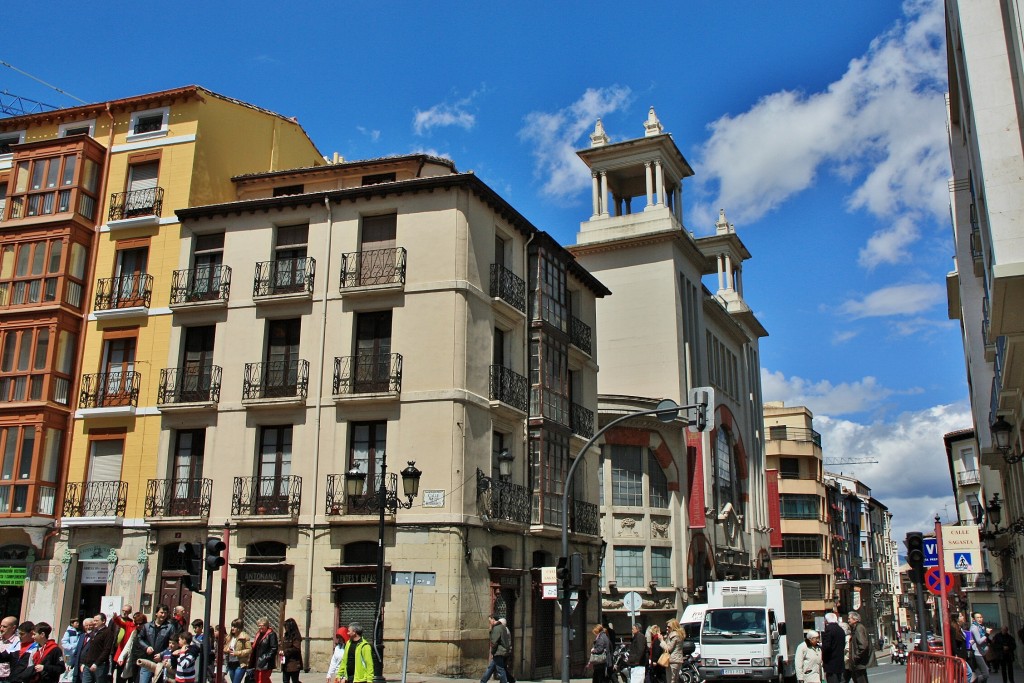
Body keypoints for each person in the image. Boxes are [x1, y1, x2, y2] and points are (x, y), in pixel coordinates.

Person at [138, 607, 175, 683]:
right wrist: (146, 647)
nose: (163, 615)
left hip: (161, 663)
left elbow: (173, 644)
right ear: (156, 613)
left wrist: (161, 655)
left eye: (165, 613)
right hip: (147, 660)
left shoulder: (170, 627)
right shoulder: (147, 626)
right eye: (161, 612)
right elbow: (139, 639)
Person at [81, 613, 114, 683]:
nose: (94, 622)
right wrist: (84, 663)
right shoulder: (94, 632)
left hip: (100, 665)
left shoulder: (108, 632)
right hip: (88, 664)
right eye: (94, 620)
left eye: (97, 621)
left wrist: (97, 663)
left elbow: (107, 650)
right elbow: (89, 648)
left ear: (103, 621)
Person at [478, 615, 509, 683]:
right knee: (491, 668)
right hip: (503, 651)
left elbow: (494, 642)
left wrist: (492, 652)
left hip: (498, 651)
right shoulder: (502, 627)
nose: (490, 623)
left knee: (500, 669)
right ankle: (483, 681)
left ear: (493, 619)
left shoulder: (497, 628)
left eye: (490, 621)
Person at [249, 618, 278, 683]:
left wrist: (265, 658)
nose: (260, 627)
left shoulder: (271, 634)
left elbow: (274, 648)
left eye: (262, 626)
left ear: (266, 625)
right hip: (257, 661)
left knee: (263, 680)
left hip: (265, 662)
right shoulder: (258, 634)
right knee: (258, 679)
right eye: (259, 626)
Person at [820, 613, 846, 683]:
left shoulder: (828, 630)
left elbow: (826, 646)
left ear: (826, 620)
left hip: (831, 663)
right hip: (840, 662)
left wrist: (822, 650)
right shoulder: (841, 630)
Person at [847, 612, 870, 683]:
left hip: (859, 663)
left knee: (861, 680)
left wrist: (855, 657)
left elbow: (863, 645)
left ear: (855, 619)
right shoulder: (856, 628)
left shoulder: (859, 628)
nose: (848, 620)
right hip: (858, 663)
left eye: (849, 619)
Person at [279, 618, 302, 683]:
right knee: (285, 680)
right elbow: (283, 645)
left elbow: (296, 648)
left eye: (287, 627)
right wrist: (281, 650)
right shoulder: (286, 635)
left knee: (295, 680)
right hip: (285, 663)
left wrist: (285, 652)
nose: (286, 628)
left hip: (293, 663)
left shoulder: (296, 636)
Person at [972, 613, 993, 683]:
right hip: (978, 654)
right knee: (985, 674)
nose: (980, 619)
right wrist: (987, 634)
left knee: (986, 671)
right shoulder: (974, 628)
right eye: (977, 618)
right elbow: (979, 641)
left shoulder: (981, 627)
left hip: (983, 653)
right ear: (974, 619)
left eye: (981, 617)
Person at [0, 617, 21, 681]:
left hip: (6, 679)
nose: (1, 629)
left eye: (4, 627)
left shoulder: (17, 642)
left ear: (13, 628)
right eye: (0, 626)